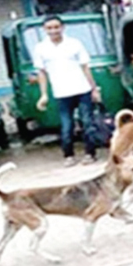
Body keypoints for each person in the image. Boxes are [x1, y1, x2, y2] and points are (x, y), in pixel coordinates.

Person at [33, 15, 101, 167]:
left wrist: (94, 89)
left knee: (87, 123)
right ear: (45, 30)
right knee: (66, 126)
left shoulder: (74, 44)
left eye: (56, 27)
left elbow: (85, 67)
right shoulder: (40, 48)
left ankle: (90, 154)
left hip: (82, 89)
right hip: (61, 93)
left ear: (62, 27)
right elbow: (41, 73)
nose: (54, 31)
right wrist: (43, 95)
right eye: (50, 28)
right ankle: (68, 156)